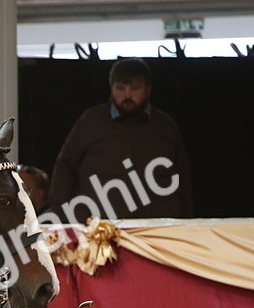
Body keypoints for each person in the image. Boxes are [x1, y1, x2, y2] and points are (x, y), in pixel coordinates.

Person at [49, 58, 191, 220]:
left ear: (148, 89)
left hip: (157, 226)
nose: (128, 95)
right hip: (100, 227)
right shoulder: (91, 122)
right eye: (120, 88)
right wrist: (62, 219)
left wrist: (185, 221)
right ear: (111, 88)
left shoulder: (165, 126)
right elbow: (65, 168)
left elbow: (183, 177)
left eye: (135, 88)